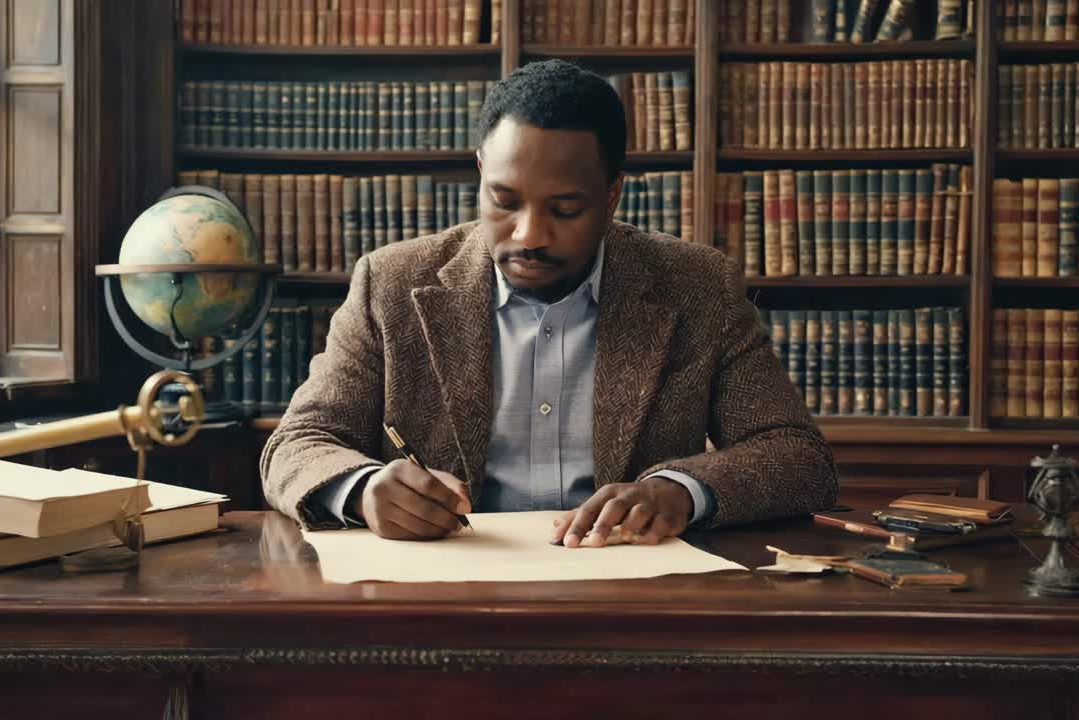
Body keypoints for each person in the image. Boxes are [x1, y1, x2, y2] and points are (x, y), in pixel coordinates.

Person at [261, 59, 837, 548]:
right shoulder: (390, 283)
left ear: (612, 194)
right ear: (481, 172)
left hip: (629, 598)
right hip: (444, 597)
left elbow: (797, 458)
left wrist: (681, 493)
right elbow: (297, 445)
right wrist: (361, 489)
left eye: (564, 210)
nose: (530, 235)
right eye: (504, 201)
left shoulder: (698, 287)